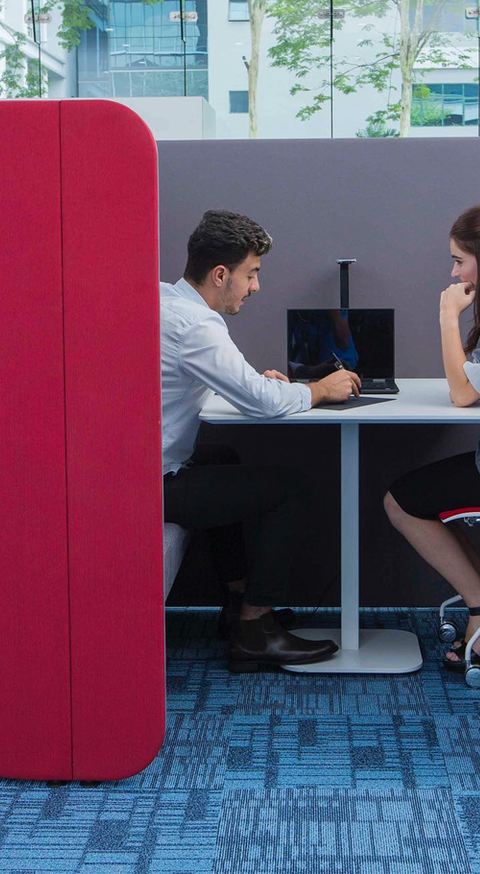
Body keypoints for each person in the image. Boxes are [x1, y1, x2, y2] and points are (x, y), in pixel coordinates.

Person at [161, 209, 361, 672]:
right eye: (251, 274)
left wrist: (258, 385)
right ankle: (255, 629)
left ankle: (236, 603)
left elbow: (207, 381)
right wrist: (319, 389)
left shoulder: (166, 302)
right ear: (220, 275)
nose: (256, 286)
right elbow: (263, 403)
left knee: (223, 457)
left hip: (130, 467)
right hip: (150, 483)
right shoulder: (197, 326)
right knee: (290, 489)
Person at [383, 204, 480, 673]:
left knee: (400, 503)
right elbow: (467, 382)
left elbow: (462, 393)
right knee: (420, 500)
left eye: (460, 260)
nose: (453, 272)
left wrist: (447, 316)